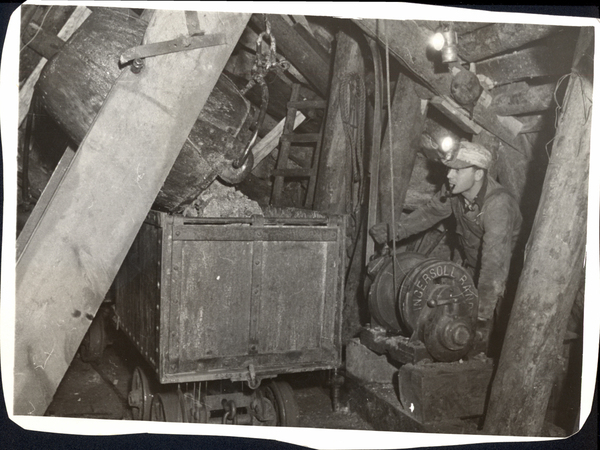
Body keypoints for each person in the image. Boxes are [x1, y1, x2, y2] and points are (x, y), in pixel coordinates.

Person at [370, 140, 522, 337]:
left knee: (497, 336)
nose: (449, 175)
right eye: (450, 169)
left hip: (504, 280)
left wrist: (482, 312)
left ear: (478, 174)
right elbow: (431, 212)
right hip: (474, 266)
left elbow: (495, 264)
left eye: (458, 171)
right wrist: (394, 231)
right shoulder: (453, 191)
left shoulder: (498, 206)